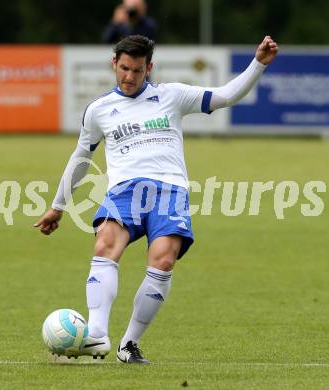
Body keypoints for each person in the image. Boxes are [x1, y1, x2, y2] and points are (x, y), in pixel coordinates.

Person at [34, 34, 278, 364]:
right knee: (106, 242)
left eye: (137, 70)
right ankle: (96, 336)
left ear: (149, 68)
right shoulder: (99, 110)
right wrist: (58, 206)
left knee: (163, 260)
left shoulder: (172, 96)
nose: (129, 77)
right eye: (123, 69)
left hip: (170, 191)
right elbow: (80, 159)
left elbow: (225, 96)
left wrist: (258, 64)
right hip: (125, 189)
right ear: (114, 64)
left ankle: (128, 344)